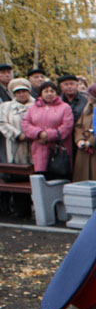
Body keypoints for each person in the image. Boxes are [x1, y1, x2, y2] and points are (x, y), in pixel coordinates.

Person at [20, 80, 74, 179]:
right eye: (46, 91)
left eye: (52, 91)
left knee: (58, 180)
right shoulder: (33, 108)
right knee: (41, 179)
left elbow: (67, 126)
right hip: (40, 148)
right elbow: (25, 123)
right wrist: (39, 133)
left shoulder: (65, 107)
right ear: (41, 93)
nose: (49, 94)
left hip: (59, 150)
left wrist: (48, 135)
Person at [0, 78, 34, 217]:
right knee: (17, 177)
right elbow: (2, 123)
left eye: (24, 91)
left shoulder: (36, 104)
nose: (21, 94)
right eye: (18, 92)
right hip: (14, 146)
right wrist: (17, 134)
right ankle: (20, 210)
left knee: (34, 178)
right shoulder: (6, 106)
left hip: (33, 146)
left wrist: (31, 133)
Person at [72, 83, 96, 182]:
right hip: (83, 150)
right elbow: (79, 126)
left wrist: (91, 142)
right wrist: (80, 140)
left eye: (89, 95)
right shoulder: (86, 110)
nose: (87, 97)